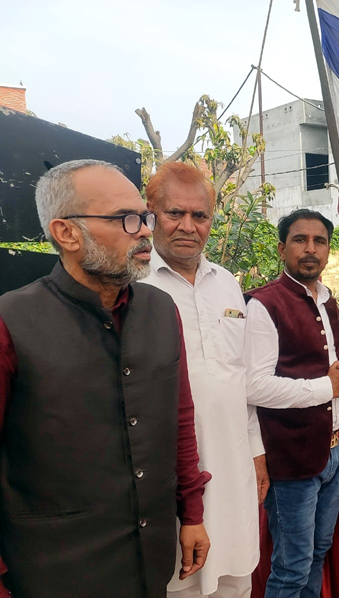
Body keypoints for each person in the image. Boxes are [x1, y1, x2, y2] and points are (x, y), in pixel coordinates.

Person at [0, 159, 211, 597]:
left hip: (149, 560)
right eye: (125, 219)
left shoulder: (160, 310)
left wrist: (191, 513)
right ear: (67, 233)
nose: (145, 231)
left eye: (145, 217)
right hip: (53, 569)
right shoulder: (11, 322)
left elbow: (179, 419)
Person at [141, 162, 265, 598]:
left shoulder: (227, 284)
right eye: (175, 213)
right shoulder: (134, 284)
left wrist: (256, 450)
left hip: (233, 466)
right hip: (169, 474)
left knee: (235, 575)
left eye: (201, 216)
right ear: (150, 212)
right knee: (178, 581)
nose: (188, 227)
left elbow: (240, 376)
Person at [244, 209, 339, 598]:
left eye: (319, 241)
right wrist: (330, 386)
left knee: (318, 553)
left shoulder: (329, 302)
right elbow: (254, 387)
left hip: (333, 452)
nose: (311, 249)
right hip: (292, 459)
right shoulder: (264, 305)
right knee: (292, 566)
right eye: (300, 240)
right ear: (282, 248)